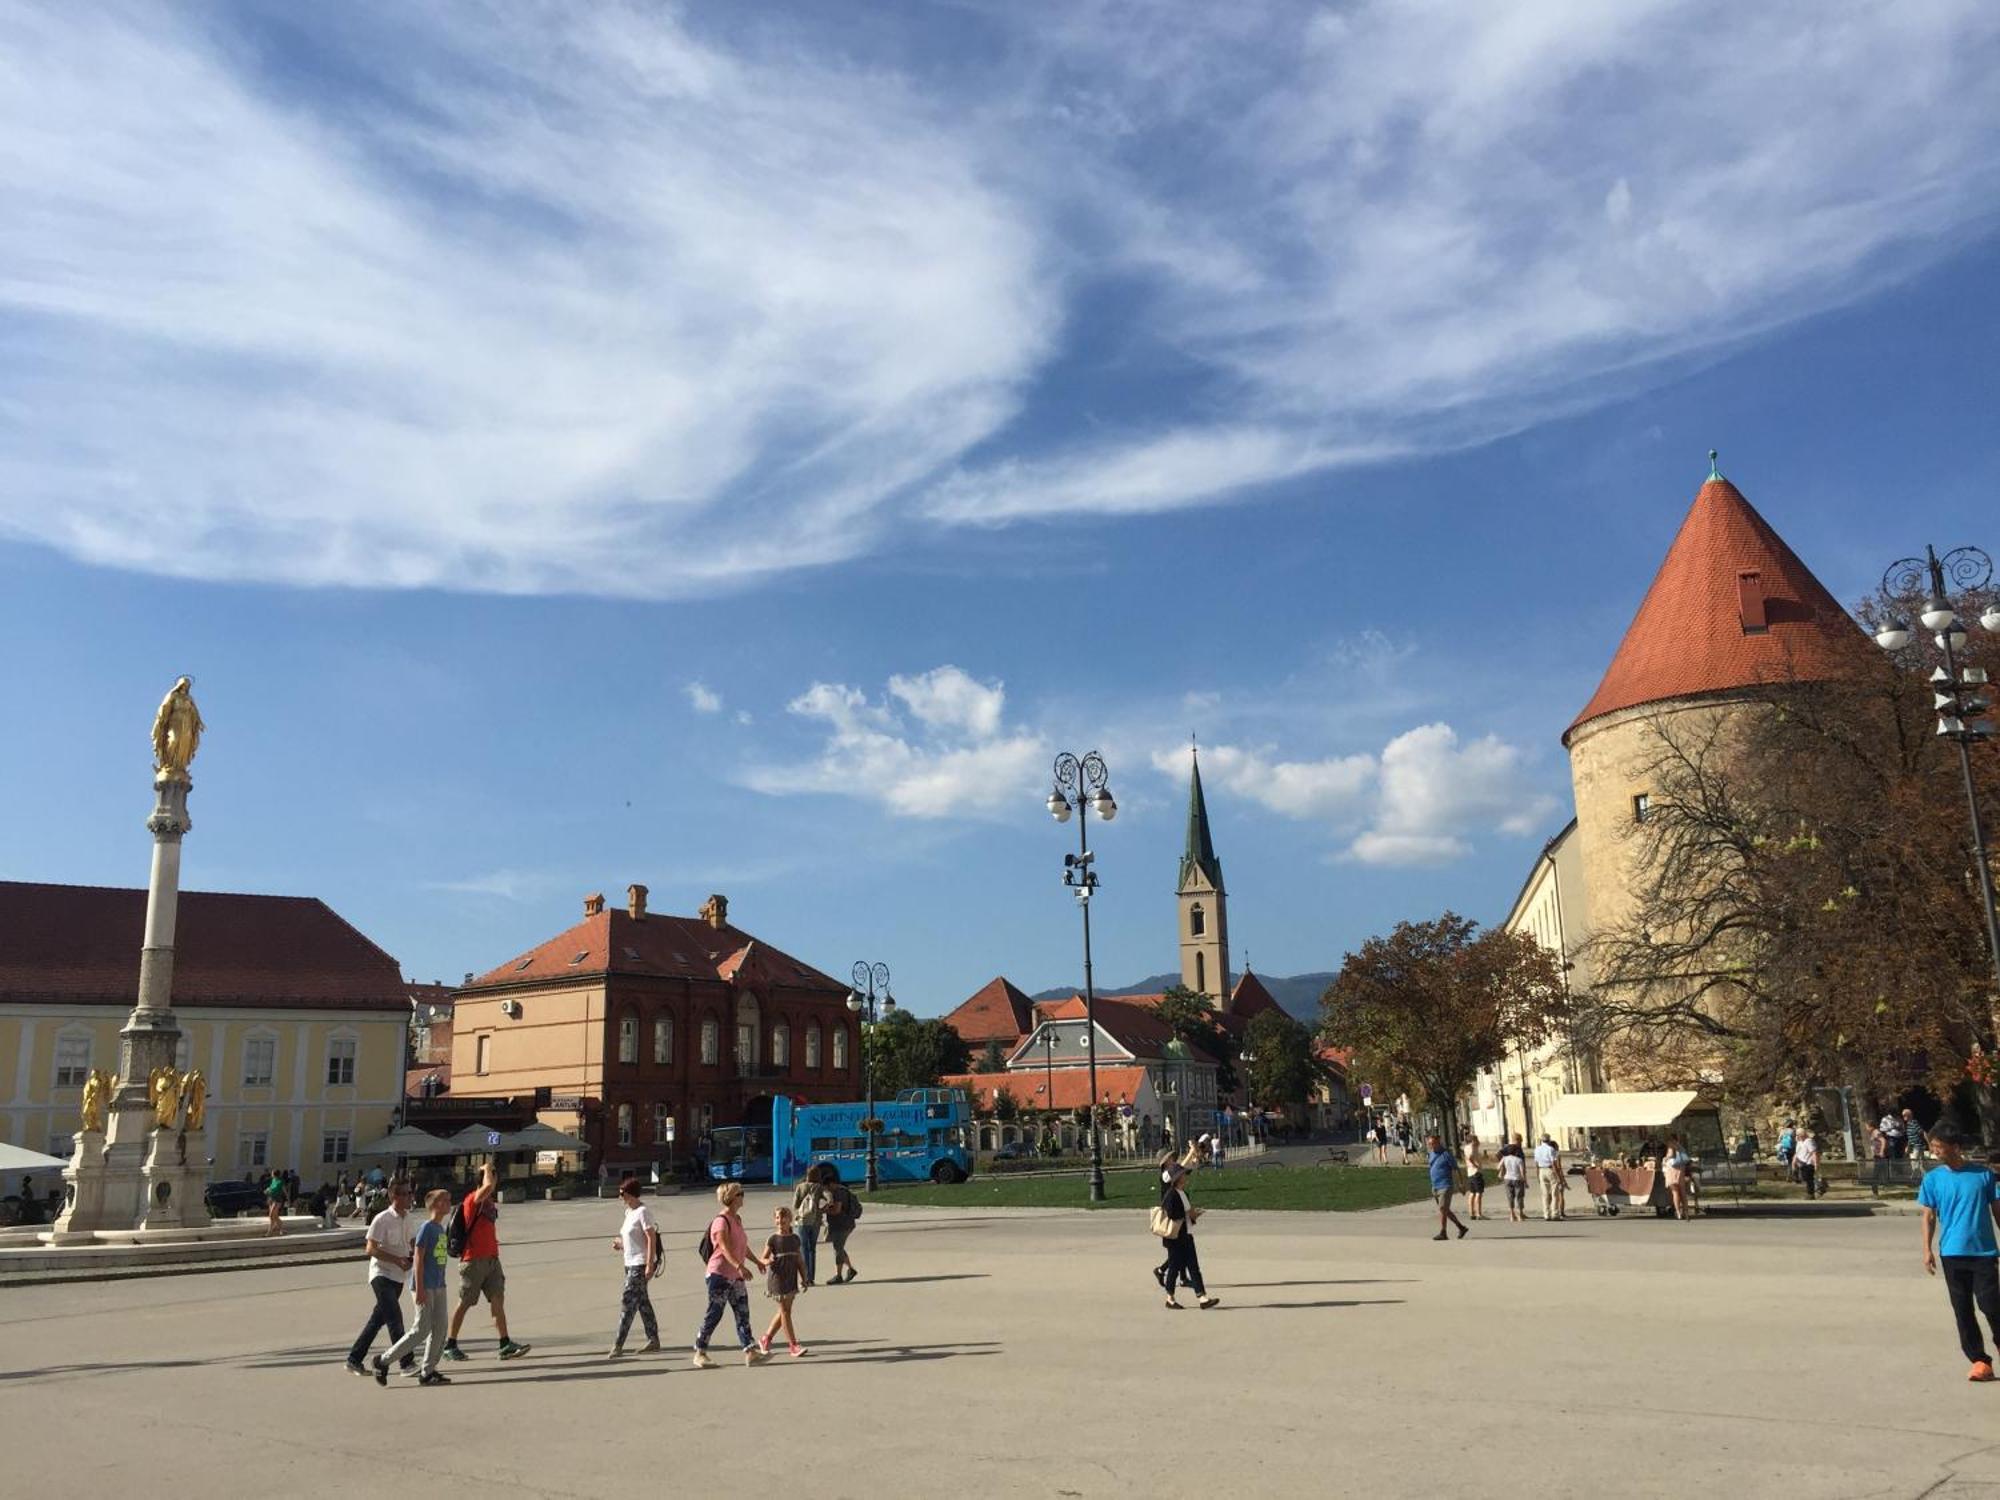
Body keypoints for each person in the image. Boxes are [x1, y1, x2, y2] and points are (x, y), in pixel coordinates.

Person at [1919, 1123, 2000, 1380]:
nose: (1934, 1151)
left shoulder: (1983, 1176)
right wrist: (1927, 1250)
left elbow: (1997, 1211)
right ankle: (1979, 1361)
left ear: (1955, 1147)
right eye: (1932, 1146)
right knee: (1962, 1309)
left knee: (1991, 1306)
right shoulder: (1932, 1179)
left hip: (1984, 1253)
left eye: (1938, 1146)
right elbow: (1928, 1216)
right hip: (1952, 1253)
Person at [443, 1163, 531, 1363]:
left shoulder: (489, 1201)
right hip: (473, 1260)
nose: (495, 1180)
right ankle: (450, 1344)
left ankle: (505, 1344)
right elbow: (488, 1185)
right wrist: (488, 1168)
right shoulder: (473, 1200)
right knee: (464, 1303)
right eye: (492, 1176)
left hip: (491, 1258)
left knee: (497, 1299)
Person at [376, 1188, 453, 1387]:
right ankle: (383, 1361)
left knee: (440, 1328)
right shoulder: (427, 1228)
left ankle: (427, 1371)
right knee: (421, 1329)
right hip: (424, 1286)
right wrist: (419, 1288)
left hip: (438, 1285)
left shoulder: (440, 1228)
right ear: (435, 1205)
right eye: (445, 1200)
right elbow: (418, 1258)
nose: (449, 1203)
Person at [345, 1177, 416, 1378]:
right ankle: (406, 1362)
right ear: (393, 1196)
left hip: (398, 1277)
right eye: (404, 1193)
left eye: (410, 1193)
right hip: (381, 1274)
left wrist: (418, 1256)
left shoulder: (408, 1218)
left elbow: (412, 1242)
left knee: (377, 1321)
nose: (409, 1197)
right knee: (395, 1319)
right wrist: (396, 1260)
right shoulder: (382, 1219)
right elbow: (370, 1249)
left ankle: (354, 1359)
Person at [693, 1181, 769, 1367]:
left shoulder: (737, 1219)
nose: (743, 1196)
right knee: (715, 1313)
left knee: (742, 1313)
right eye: (740, 1193)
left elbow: (742, 1246)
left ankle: (750, 1351)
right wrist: (739, 1266)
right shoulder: (721, 1221)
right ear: (731, 1198)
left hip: (735, 1276)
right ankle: (700, 1352)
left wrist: (757, 1261)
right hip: (719, 1274)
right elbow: (724, 1248)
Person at [608, 1177, 661, 1358]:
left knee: (628, 1302)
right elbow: (633, 1240)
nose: (620, 1197)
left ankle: (618, 1344)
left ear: (631, 1193)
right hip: (629, 1262)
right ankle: (653, 1339)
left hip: (640, 1264)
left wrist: (649, 1264)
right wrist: (620, 1244)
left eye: (622, 1193)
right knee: (642, 1302)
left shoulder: (643, 1212)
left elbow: (650, 1238)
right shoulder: (628, 1213)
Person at [1157, 1160, 1218, 1309]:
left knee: (1193, 1267)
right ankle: (1169, 1298)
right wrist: (1188, 1214)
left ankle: (1202, 1297)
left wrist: (1194, 1214)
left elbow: (1187, 1214)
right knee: (1174, 1267)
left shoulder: (1183, 1193)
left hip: (1186, 1235)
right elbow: (1172, 1214)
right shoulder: (1172, 1194)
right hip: (1175, 1237)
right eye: (1183, 1174)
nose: (1186, 1176)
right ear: (1178, 1178)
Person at [759, 1203, 811, 1358]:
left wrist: (805, 1277)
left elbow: (800, 1260)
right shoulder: (773, 1239)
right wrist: (768, 1261)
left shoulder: (795, 1239)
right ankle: (793, 1345)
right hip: (778, 1279)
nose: (779, 1220)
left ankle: (766, 1338)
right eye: (776, 1218)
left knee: (783, 1311)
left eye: (783, 1218)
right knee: (785, 1311)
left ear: (790, 1220)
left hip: (791, 1278)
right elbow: (763, 1258)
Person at [822, 1169, 862, 1284]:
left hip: (842, 1224)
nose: (827, 1190)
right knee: (839, 1247)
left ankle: (838, 1275)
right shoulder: (842, 1190)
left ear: (831, 1184)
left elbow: (837, 1210)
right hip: (845, 1223)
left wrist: (823, 1211)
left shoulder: (839, 1192)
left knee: (838, 1249)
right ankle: (850, 1269)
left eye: (827, 1187)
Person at [1427, 1134, 1468, 1241]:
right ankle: (1461, 1227)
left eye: (1432, 1143)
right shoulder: (1431, 1154)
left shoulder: (1446, 1154)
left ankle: (1443, 1232)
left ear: (1438, 1143)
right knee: (1445, 1210)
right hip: (1435, 1186)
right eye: (1429, 1144)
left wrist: (1461, 1184)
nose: (1431, 1146)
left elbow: (1456, 1169)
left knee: (1442, 1209)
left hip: (1445, 1186)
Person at [792, 1168, 825, 1287]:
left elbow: (795, 1205)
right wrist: (822, 1209)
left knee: (803, 1249)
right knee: (812, 1249)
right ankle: (811, 1278)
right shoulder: (819, 1187)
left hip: (802, 1221)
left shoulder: (800, 1187)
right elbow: (829, 1198)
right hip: (815, 1222)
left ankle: (805, 1278)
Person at [1498, 1134, 1528, 1222]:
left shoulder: (1510, 1154)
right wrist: (1502, 1169)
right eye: (1520, 1141)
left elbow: (1498, 1164)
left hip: (1508, 1177)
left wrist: (1502, 1164)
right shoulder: (1511, 1148)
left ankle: (1516, 1214)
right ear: (1516, 1140)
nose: (1521, 1143)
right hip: (1517, 1176)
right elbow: (1498, 1154)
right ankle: (1518, 1214)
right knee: (1519, 1196)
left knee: (1511, 1196)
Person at [1534, 1134, 1564, 1221]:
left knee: (1545, 1194)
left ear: (1541, 1140)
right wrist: (1558, 1176)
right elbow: (1554, 1163)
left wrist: (1537, 1174)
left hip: (1541, 1170)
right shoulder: (1550, 1149)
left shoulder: (1537, 1149)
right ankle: (1555, 1214)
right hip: (1550, 1170)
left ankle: (1546, 1214)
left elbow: (1536, 1163)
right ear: (1549, 1140)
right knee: (1555, 1193)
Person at [1662, 1134, 1692, 1220]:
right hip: (1680, 1169)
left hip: (1672, 1169)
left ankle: (1678, 1212)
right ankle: (1686, 1212)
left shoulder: (1671, 1146)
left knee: (1675, 1192)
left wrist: (1665, 1159)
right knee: (1683, 1192)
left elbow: (1671, 1154)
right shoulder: (1680, 1147)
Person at [1462, 1134, 1487, 1221]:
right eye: (1476, 1140)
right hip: (1476, 1172)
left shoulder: (1466, 1148)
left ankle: (1471, 1213)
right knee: (1478, 1193)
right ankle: (1478, 1214)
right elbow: (1470, 1157)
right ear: (1473, 1141)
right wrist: (1475, 1165)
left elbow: (1467, 1157)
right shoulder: (1472, 1147)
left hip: (1470, 1172)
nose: (1478, 1141)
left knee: (1472, 1193)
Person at [1795, 1126, 1821, 1199]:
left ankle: (1811, 1194)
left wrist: (1816, 1164)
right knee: (1805, 1178)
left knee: (1809, 1179)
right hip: (1802, 1163)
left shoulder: (1809, 1141)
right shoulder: (1799, 1142)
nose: (1797, 1136)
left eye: (1798, 1134)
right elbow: (1797, 1153)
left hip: (1809, 1163)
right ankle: (1812, 1192)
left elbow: (1814, 1153)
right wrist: (1795, 1162)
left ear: (1802, 1135)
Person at [264, 1169, 286, 1236]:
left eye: (272, 1173)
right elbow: (271, 1188)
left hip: (277, 1200)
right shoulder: (273, 1180)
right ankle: (281, 1230)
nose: (271, 1174)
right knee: (275, 1216)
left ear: (274, 1174)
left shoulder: (280, 1181)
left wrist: (288, 1199)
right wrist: (267, 1190)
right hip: (271, 1199)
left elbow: (284, 1190)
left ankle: (270, 1231)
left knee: (271, 1215)